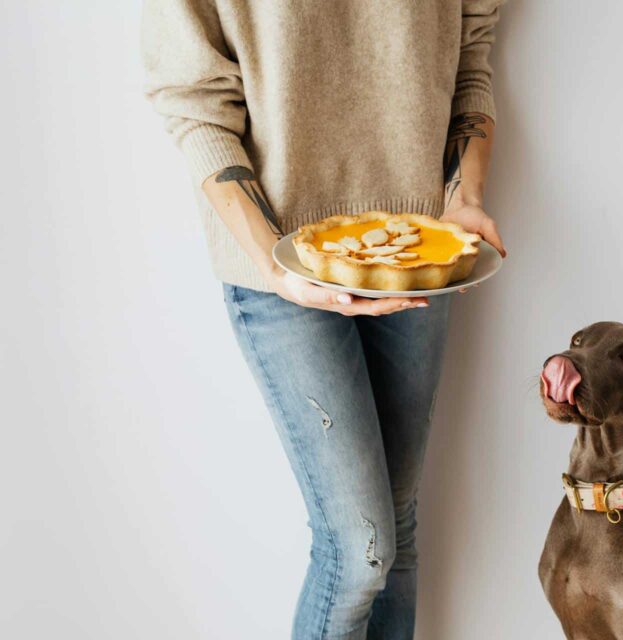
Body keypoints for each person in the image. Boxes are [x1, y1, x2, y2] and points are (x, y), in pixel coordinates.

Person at [142, 2, 504, 638]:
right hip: (278, 263)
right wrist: (275, 263)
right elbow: (192, 97)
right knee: (361, 552)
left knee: (397, 531)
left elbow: (469, 52)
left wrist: (464, 198)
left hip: (419, 249)